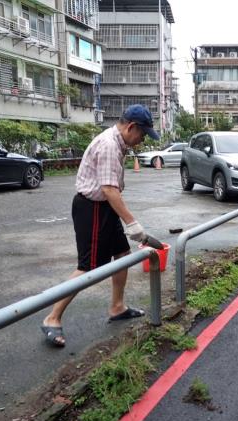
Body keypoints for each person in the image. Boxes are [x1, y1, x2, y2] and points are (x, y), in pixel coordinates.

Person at [41, 104, 159, 347]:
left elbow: (111, 191)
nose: (142, 140)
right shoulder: (108, 145)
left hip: (105, 208)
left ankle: (117, 307)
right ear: (131, 127)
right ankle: (52, 318)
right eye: (143, 134)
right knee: (88, 267)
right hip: (92, 209)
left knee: (123, 254)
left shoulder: (118, 143)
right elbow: (108, 189)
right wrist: (132, 223)